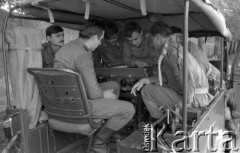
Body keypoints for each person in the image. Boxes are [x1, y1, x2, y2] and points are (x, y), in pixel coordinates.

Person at [54, 20, 135, 153]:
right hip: (78, 104)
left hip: (65, 97)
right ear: (94, 38)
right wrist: (104, 95)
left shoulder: (68, 47)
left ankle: (111, 131)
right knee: (129, 109)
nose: (100, 43)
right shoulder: (83, 55)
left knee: (114, 85)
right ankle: (98, 143)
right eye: (100, 39)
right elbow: (93, 94)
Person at [131, 21, 213, 120]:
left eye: (153, 40)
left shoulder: (172, 53)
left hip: (194, 100)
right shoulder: (173, 49)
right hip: (196, 97)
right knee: (149, 86)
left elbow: (187, 80)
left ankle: (162, 122)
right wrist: (145, 80)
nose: (152, 44)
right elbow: (166, 77)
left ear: (158, 38)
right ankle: (165, 120)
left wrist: (183, 103)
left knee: (146, 91)